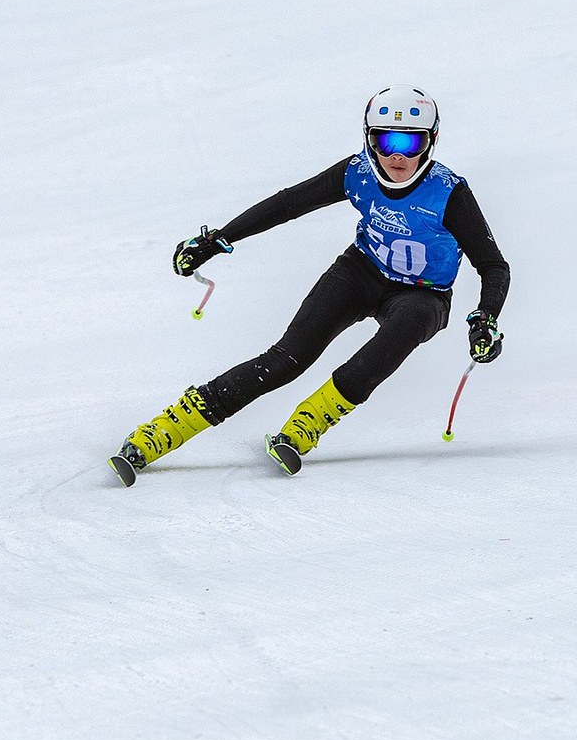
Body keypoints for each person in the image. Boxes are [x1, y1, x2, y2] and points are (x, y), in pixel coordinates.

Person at [111, 88, 509, 482]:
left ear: (431, 141)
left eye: (411, 141)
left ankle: (305, 426)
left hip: (424, 294)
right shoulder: (357, 173)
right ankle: (162, 432)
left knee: (389, 343)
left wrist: (485, 318)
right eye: (385, 140)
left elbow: (493, 265)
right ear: (369, 139)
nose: (397, 156)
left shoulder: (449, 193)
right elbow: (288, 204)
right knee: (286, 360)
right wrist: (219, 238)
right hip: (361, 273)